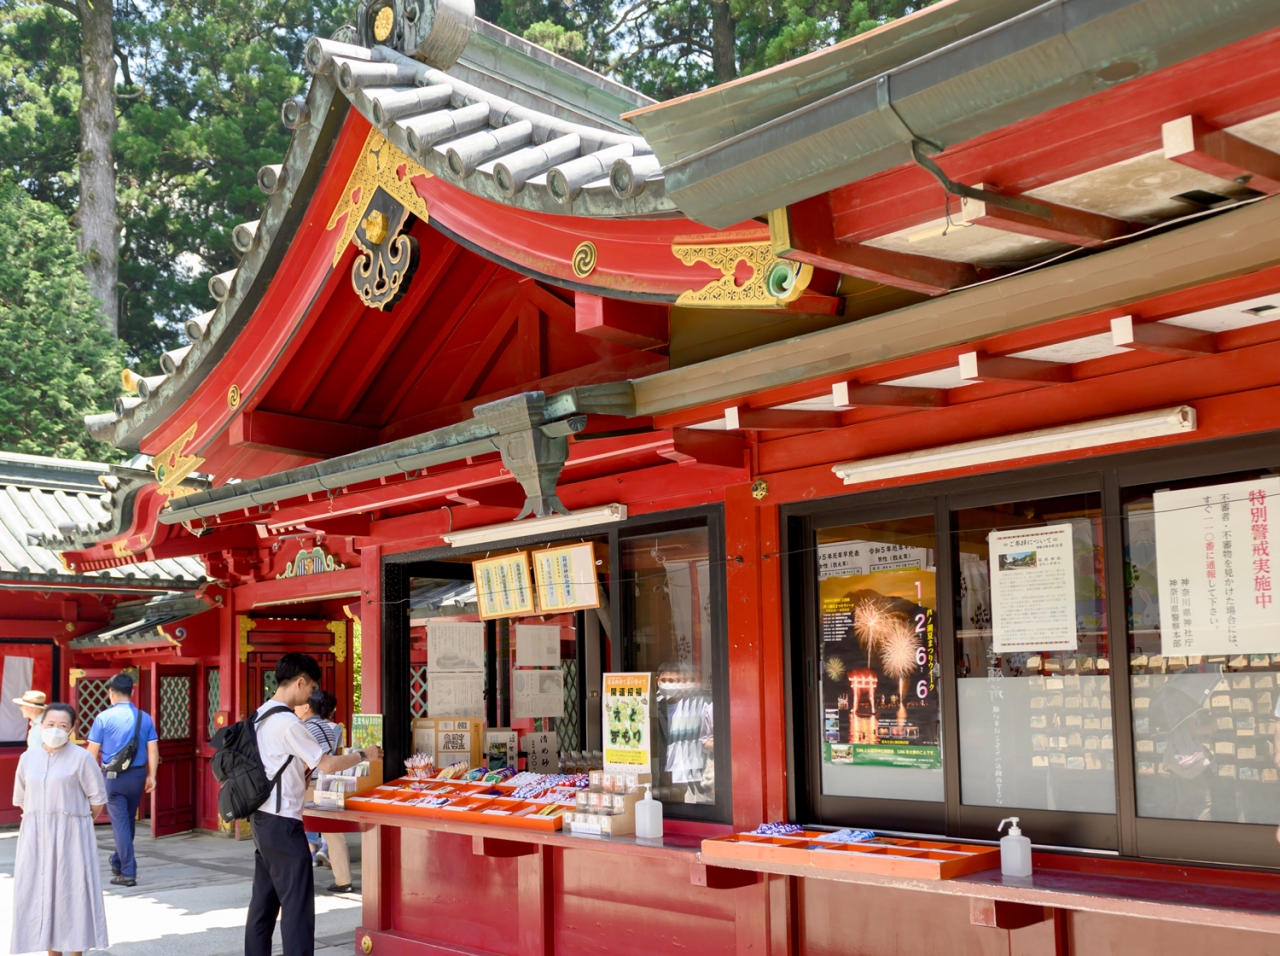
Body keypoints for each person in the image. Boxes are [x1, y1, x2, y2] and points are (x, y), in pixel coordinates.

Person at [246, 653, 381, 956]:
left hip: (261, 818)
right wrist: (363, 755)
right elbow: (328, 764)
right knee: (297, 910)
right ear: (300, 681)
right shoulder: (288, 723)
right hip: (283, 822)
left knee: (263, 906)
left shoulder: (259, 715)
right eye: (310, 688)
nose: (310, 696)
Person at [11, 702, 109, 956]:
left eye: (62, 725)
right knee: (40, 892)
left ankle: (75, 951)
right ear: (40, 725)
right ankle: (49, 950)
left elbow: (97, 801)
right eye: (50, 724)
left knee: (71, 892)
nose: (55, 729)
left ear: (72, 728)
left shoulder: (83, 758)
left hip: (72, 838)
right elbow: (22, 799)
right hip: (35, 837)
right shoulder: (27, 758)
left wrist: (74, 821)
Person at [85, 672, 159, 888]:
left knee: (120, 825)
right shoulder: (144, 717)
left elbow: (91, 752)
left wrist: (88, 780)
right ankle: (118, 861)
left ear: (111, 693)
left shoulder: (103, 718)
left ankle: (128, 872)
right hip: (137, 776)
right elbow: (152, 749)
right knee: (127, 821)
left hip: (113, 778)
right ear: (132, 692)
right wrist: (151, 775)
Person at [294, 689, 353, 890]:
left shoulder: (303, 728)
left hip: (309, 784)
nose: (295, 708)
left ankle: (296, 881)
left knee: (295, 832)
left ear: (307, 707)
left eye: (298, 704)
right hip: (327, 784)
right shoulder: (329, 728)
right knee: (333, 835)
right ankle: (343, 880)